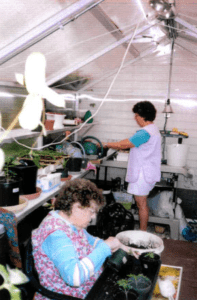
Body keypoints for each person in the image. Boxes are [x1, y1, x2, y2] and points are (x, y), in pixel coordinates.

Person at [32, 178, 130, 300]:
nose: (94, 217)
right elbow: (74, 278)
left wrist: (114, 245)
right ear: (77, 207)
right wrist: (105, 247)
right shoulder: (56, 235)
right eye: (91, 211)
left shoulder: (69, 220)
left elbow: (89, 240)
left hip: (86, 287)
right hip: (67, 295)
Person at [103, 101, 161, 231]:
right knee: (142, 204)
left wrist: (106, 144)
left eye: (136, 115)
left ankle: (142, 233)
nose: (135, 118)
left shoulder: (145, 132)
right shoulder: (153, 129)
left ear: (142, 115)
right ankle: (142, 231)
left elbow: (126, 144)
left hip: (143, 174)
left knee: (141, 204)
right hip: (147, 172)